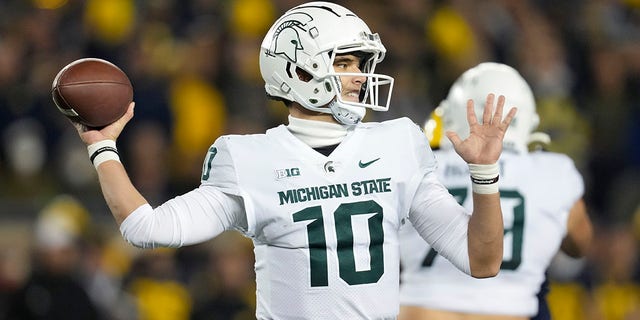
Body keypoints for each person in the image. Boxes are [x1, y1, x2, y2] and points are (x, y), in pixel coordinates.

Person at [67, 2, 516, 319]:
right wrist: (102, 146)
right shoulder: (247, 158)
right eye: (346, 63)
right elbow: (147, 228)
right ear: (299, 72)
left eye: (362, 63)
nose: (361, 76)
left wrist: (484, 175)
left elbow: (483, 260)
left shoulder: (400, 143)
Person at [398, 62, 593, 320]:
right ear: (528, 120)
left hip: (420, 311)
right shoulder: (555, 172)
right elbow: (580, 245)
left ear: (450, 113)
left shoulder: (411, 165)